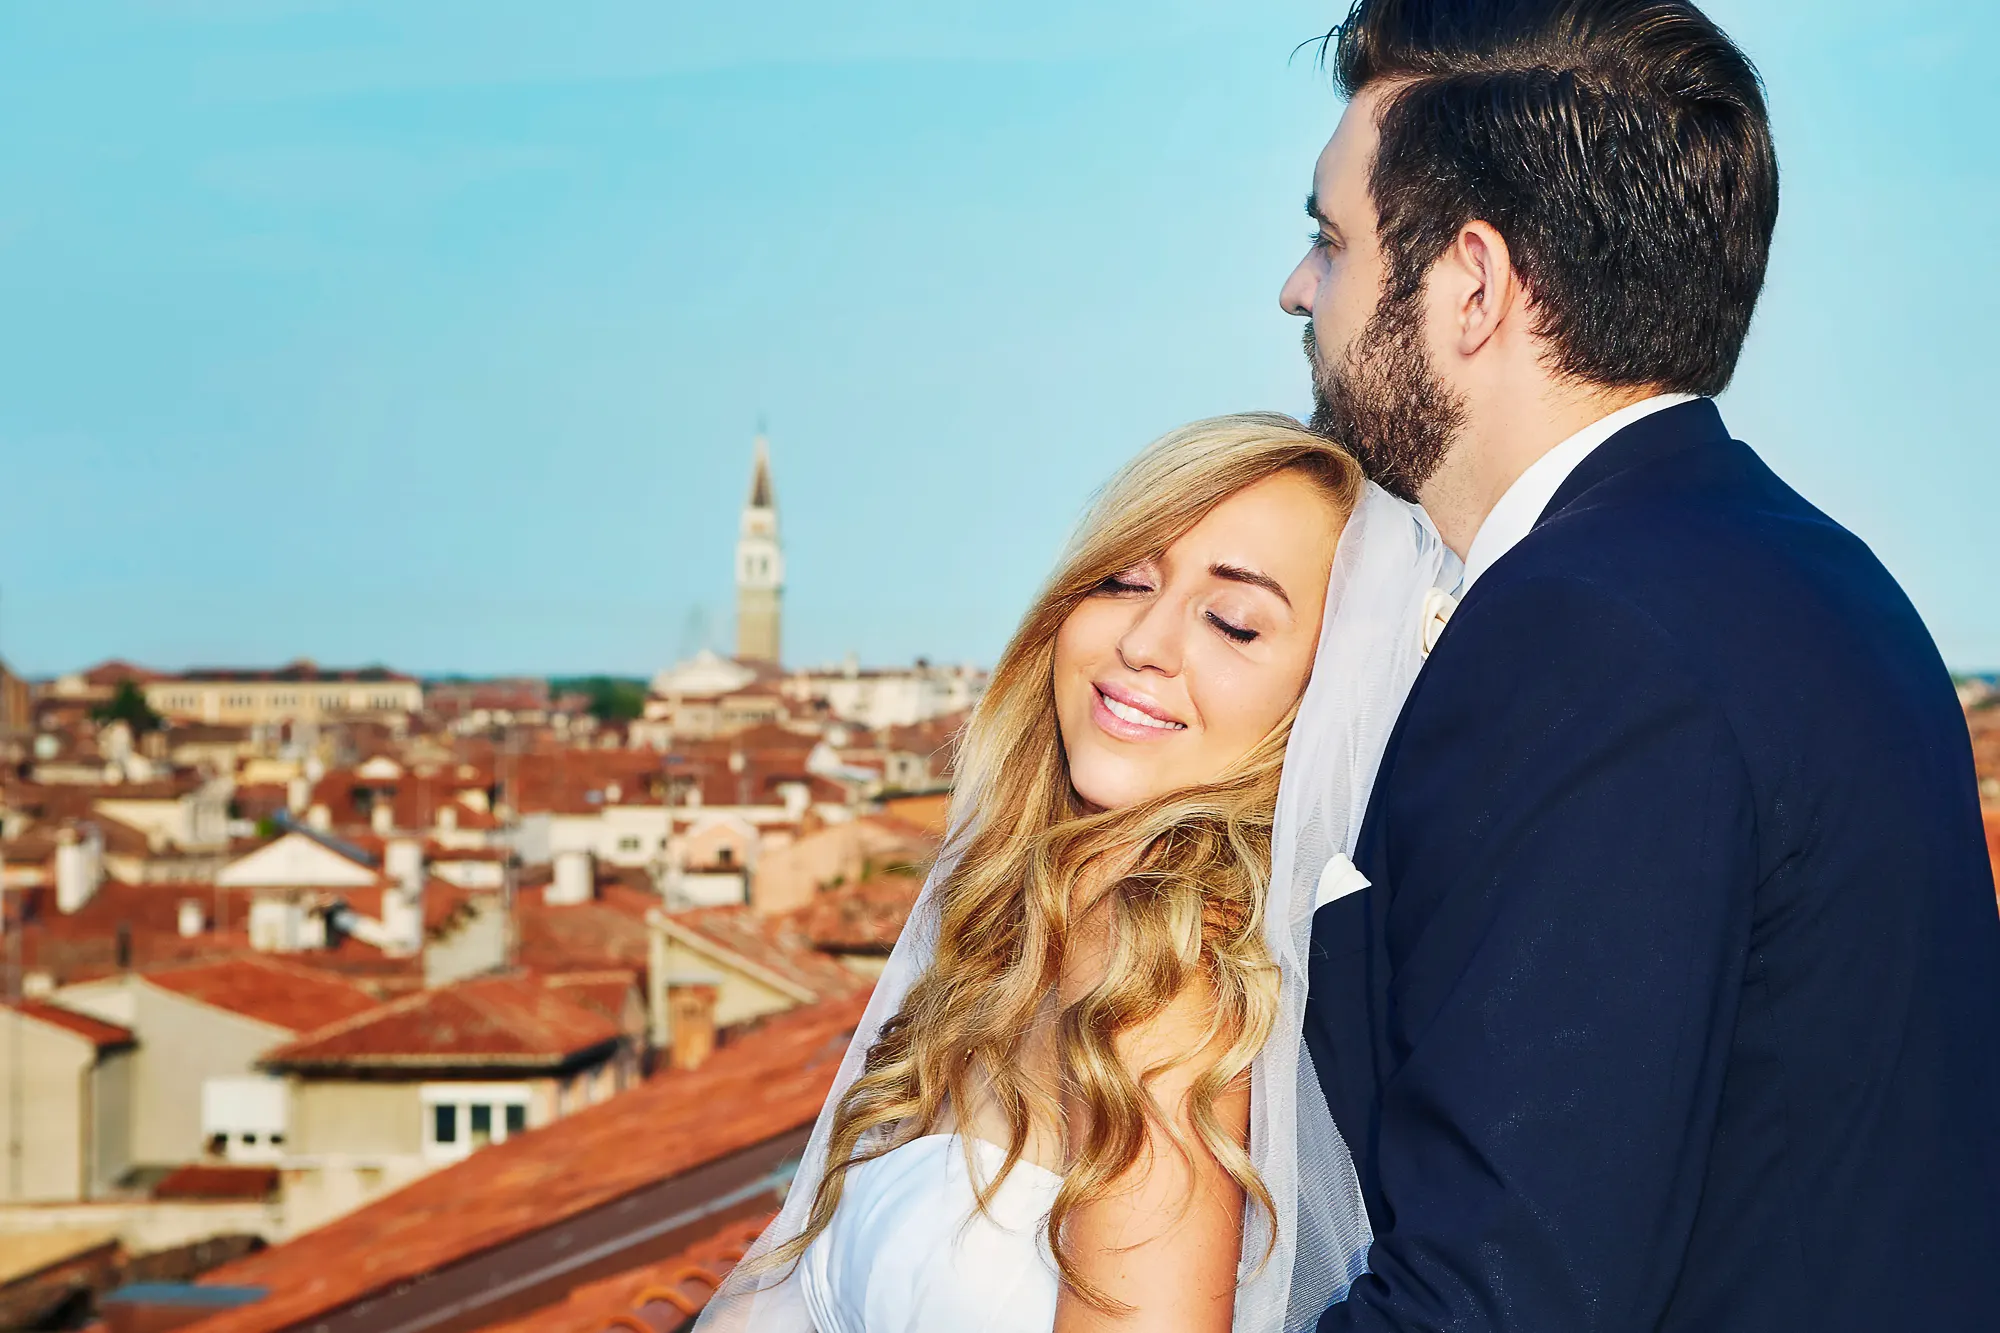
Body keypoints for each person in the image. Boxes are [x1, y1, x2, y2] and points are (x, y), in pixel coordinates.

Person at [1282, 2, 2000, 1329]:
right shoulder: (1822, 580)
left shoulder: (1582, 636)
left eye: (1332, 240)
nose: (1296, 288)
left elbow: (1495, 1298)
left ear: (1474, 284)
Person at [694, 415, 1452, 1333]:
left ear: (1324, 699)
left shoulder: (1167, 990)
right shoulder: (1017, 917)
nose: (1145, 640)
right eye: (1127, 578)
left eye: (1234, 621)